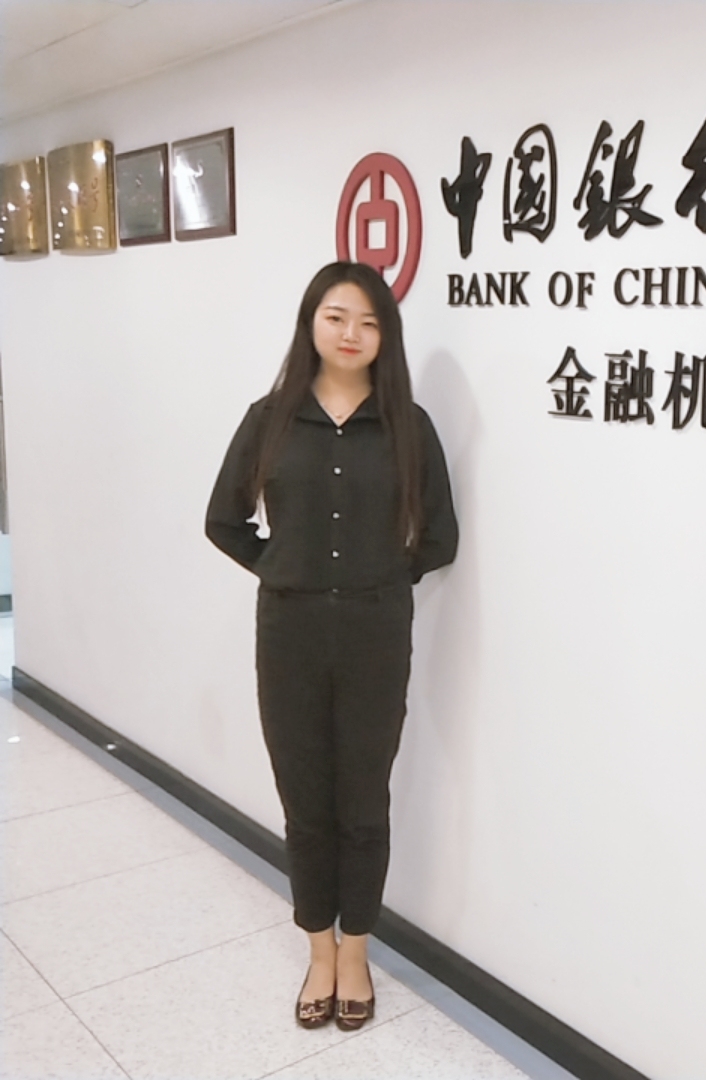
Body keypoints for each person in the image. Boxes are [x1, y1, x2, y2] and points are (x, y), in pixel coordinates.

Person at [206, 261, 458, 1030]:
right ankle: (319, 950)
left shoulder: (409, 425)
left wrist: (382, 576)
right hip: (290, 635)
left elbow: (440, 538)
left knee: (363, 804)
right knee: (306, 802)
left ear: (387, 336)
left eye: (369, 322)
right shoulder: (270, 418)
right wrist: (285, 568)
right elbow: (223, 521)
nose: (352, 334)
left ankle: (357, 952)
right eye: (337, 317)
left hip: (377, 637)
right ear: (311, 322)